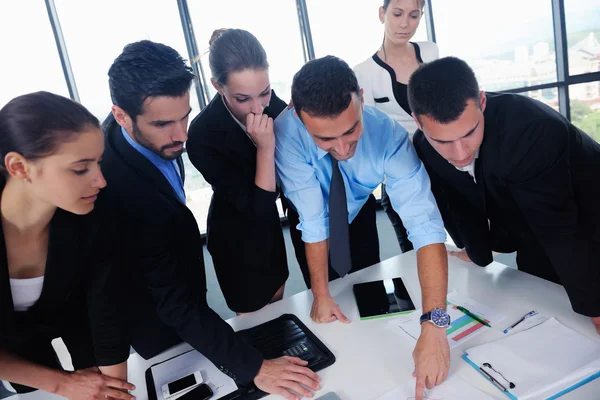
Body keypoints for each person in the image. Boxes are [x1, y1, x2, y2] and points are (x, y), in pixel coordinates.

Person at [100, 40, 321, 400]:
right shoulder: (120, 189)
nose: (182, 134)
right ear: (122, 115)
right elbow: (172, 302)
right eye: (164, 123)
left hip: (184, 280)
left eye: (185, 115)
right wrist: (256, 368)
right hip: (152, 314)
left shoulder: (145, 135)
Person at [274, 55, 450, 398]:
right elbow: (312, 220)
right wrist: (321, 295)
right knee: (325, 305)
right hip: (313, 217)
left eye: (351, 130)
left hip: (357, 206)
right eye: (326, 139)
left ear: (362, 97)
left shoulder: (386, 134)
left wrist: (435, 323)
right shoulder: (287, 135)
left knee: (369, 288)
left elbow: (424, 223)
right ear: (299, 118)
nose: (343, 148)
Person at [409, 56, 600, 334]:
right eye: (443, 141)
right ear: (418, 122)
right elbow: (459, 200)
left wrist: (595, 309)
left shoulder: (532, 129)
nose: (460, 153)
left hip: (588, 211)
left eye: (469, 133)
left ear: (482, 102)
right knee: (543, 306)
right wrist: (477, 252)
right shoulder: (424, 145)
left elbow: (558, 230)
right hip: (533, 226)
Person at [0, 92, 132, 399]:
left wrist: (114, 390)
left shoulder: (91, 213)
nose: (100, 180)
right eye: (80, 168)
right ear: (19, 167)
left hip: (68, 320)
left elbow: (105, 307)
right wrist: (62, 383)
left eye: (99, 163)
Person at [186, 29, 289, 314]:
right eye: (243, 99)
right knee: (255, 323)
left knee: (279, 306)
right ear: (217, 87)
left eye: (265, 92)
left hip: (269, 230)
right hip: (236, 238)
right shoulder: (202, 136)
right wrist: (265, 148)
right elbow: (256, 207)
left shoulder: (269, 102)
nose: (258, 107)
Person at [354, 0, 438, 253]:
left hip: (442, 165)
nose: (405, 24)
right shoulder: (363, 72)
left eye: (413, 16)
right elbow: (370, 134)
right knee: (413, 249)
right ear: (382, 14)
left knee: (455, 243)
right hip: (402, 174)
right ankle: (408, 295)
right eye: (397, 14)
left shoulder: (431, 52)